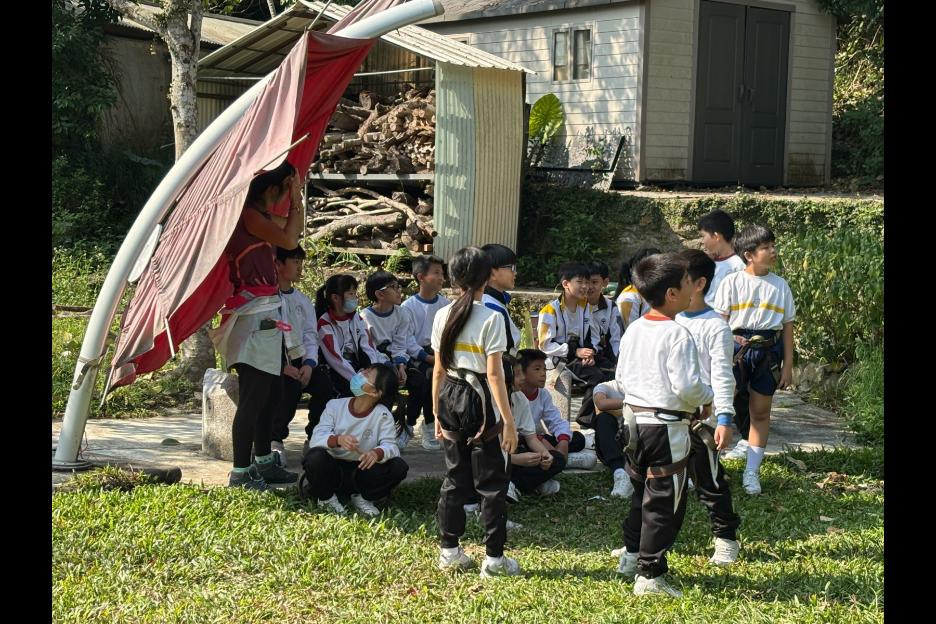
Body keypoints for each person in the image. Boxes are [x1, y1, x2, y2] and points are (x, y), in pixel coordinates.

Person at [614, 252, 713, 597]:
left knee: (641, 492)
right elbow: (687, 387)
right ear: (672, 294)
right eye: (687, 284)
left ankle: (631, 556)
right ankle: (650, 575)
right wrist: (707, 395)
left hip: (632, 422)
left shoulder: (635, 329)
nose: (693, 289)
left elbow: (621, 378)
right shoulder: (677, 334)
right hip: (665, 427)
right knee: (665, 500)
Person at [212, 160, 304, 489]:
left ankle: (264, 461)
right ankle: (240, 471)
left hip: (265, 314)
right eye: (285, 189)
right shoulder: (250, 215)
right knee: (254, 396)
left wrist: (295, 199)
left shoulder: (261, 217)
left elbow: (293, 231)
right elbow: (290, 241)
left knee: (270, 393)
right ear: (273, 189)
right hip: (252, 317)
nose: (286, 197)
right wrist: (296, 198)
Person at [432, 246, 520, 578]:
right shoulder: (491, 318)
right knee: (492, 482)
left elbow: (438, 370)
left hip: (450, 397)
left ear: (453, 278)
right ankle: (494, 560)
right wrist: (508, 422)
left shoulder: (442, 314)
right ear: (487, 278)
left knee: (455, 478)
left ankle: (449, 551)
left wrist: (436, 413)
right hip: (481, 401)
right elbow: (495, 375)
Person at [713, 225, 795, 496]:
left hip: (768, 352)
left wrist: (788, 366)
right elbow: (720, 323)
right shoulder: (731, 283)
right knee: (721, 407)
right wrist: (722, 353)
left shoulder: (781, 285)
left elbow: (788, 327)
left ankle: (752, 472)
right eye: (766, 247)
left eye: (773, 245)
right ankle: (710, 467)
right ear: (749, 255)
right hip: (735, 352)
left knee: (760, 412)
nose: (773, 251)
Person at [303, 364, 409, 517]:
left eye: (367, 374)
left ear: (375, 392)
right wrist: (338, 440)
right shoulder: (335, 406)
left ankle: (364, 498)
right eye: (364, 370)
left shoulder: (383, 415)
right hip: (332, 470)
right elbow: (316, 438)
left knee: (398, 466)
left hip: (362, 472)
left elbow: (392, 447)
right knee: (315, 457)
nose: (361, 373)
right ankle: (327, 499)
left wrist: (376, 453)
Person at [400, 255, 449, 451]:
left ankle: (428, 424)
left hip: (439, 354)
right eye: (436, 273)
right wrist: (427, 357)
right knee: (424, 378)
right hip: (416, 356)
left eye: (442, 273)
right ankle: (411, 424)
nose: (441, 278)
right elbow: (407, 340)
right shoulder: (408, 307)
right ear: (421, 277)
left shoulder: (446, 305)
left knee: (433, 376)